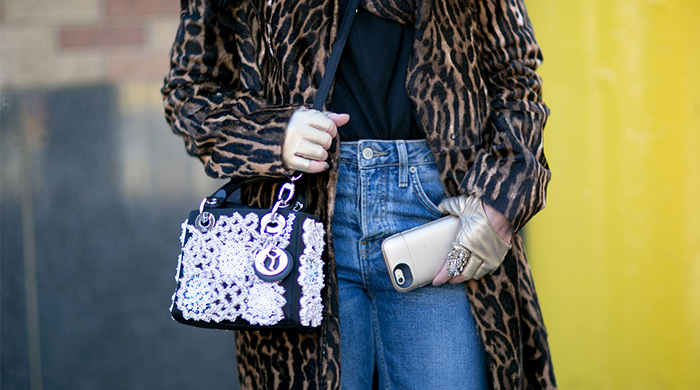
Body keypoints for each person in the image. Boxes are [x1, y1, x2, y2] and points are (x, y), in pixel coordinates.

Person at [161, 0, 556, 388]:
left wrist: (502, 197)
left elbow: (515, 74)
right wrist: (270, 134)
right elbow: (189, 91)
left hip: (440, 213)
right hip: (300, 226)